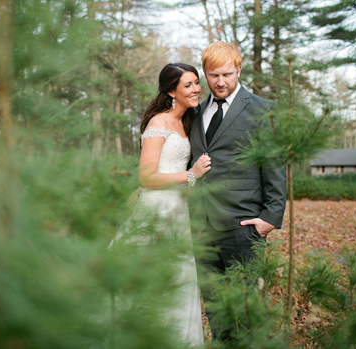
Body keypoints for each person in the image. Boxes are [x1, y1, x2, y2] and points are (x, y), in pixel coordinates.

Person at [188, 42, 287, 341]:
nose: (220, 82)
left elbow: (274, 165)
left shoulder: (262, 110)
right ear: (205, 74)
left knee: (246, 311)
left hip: (243, 227)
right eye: (213, 75)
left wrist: (270, 217)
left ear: (239, 70)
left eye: (227, 74)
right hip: (201, 228)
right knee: (216, 310)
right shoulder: (195, 112)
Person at [111, 63, 210, 347]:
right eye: (188, 85)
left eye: (196, 82)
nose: (195, 89)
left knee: (179, 279)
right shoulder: (159, 123)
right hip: (156, 210)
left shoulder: (187, 120)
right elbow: (146, 177)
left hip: (178, 211)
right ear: (171, 91)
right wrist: (191, 174)